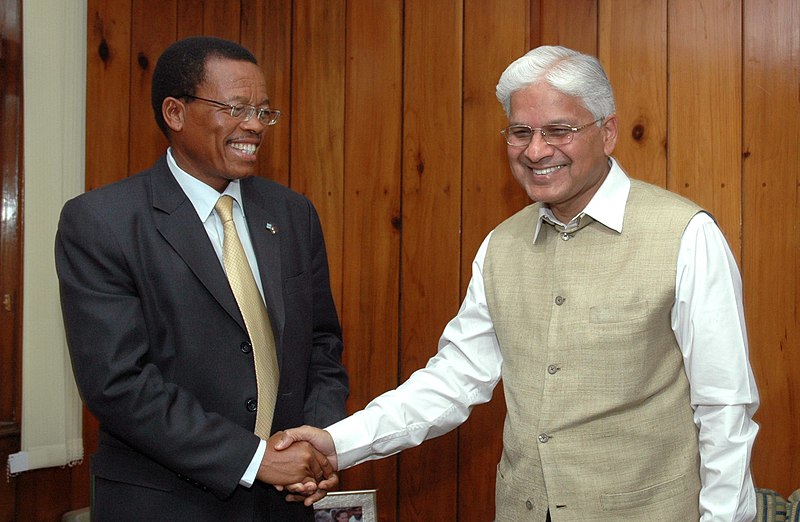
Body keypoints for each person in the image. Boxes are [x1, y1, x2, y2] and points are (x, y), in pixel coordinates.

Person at [277, 45, 760, 521]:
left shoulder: (686, 235)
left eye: (559, 130)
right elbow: (454, 379)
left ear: (608, 131)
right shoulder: (500, 246)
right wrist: (338, 442)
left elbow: (724, 409)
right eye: (520, 132)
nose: (535, 150)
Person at [55, 36, 348, 521]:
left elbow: (321, 344)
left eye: (264, 111)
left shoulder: (293, 214)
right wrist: (254, 460)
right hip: (166, 503)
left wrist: (318, 443)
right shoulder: (102, 222)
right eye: (235, 108)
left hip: (286, 503)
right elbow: (118, 383)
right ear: (175, 112)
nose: (254, 125)